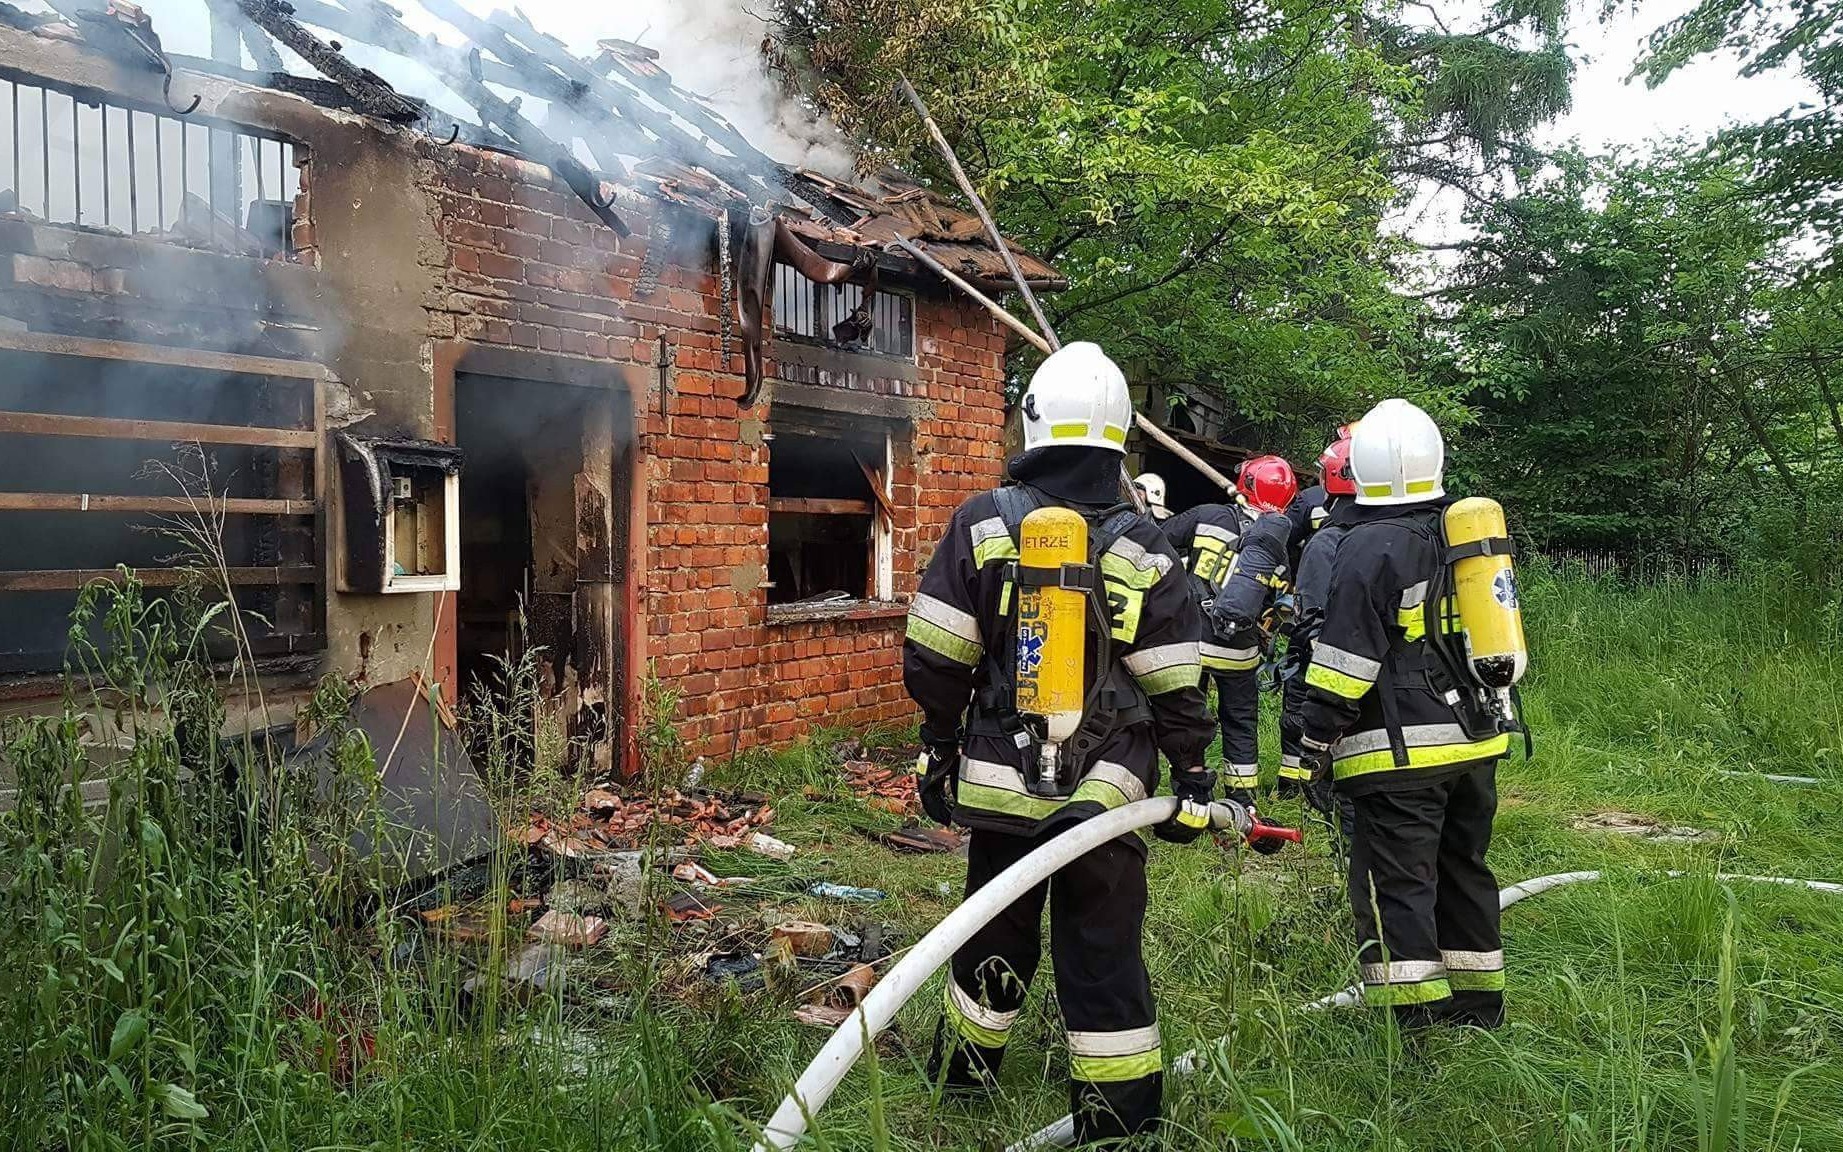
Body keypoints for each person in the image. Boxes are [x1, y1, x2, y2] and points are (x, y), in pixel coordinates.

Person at [903, 342, 1218, 1143]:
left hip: (1000, 785)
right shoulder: (1144, 544)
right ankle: (1119, 1122)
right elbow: (1176, 679)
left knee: (992, 932)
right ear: (1117, 437)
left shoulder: (981, 523)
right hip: (1106, 793)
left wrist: (939, 744)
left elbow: (937, 656)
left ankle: (963, 1082)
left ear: (1032, 419)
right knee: (1103, 950)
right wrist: (1192, 777)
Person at [1296, 398, 1512, 1027]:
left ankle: (1412, 1029)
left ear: (1359, 470)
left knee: (1399, 884)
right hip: (1475, 741)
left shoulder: (1367, 545)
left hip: (1401, 754)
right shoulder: (1462, 532)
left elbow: (1344, 661)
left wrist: (1311, 741)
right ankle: (1478, 1005)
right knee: (1464, 868)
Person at [1163, 456, 1297, 804]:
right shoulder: (1276, 547)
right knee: (1240, 721)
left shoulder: (1209, 516)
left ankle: (1192, 795)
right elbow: (1277, 604)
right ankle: (1243, 801)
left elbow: (1160, 542)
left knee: (1189, 718)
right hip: (1240, 651)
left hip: (1194, 642)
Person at [1278, 432, 1356, 798]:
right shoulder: (1407, 532)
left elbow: (1282, 540)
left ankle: (1305, 781)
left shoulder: (1321, 531)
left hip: (1323, 644)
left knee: (1301, 702)